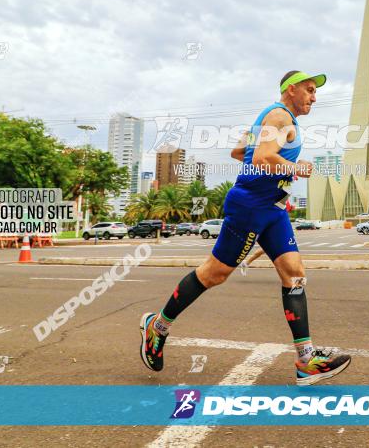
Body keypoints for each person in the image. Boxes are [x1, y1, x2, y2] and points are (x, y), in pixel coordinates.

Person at [139, 70, 351, 386]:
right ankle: (157, 326)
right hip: (251, 207)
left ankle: (305, 359)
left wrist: (270, 169)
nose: (314, 97)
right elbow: (264, 157)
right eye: (309, 90)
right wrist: (296, 168)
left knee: (294, 272)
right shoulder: (281, 117)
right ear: (290, 90)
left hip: (272, 209)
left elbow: (240, 152)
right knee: (214, 274)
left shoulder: (272, 119)